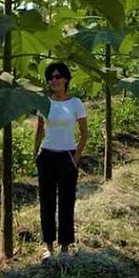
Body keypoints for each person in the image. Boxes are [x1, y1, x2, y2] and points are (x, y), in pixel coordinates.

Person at [34, 61, 88, 262]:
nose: (54, 80)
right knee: (46, 202)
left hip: (67, 156)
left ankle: (65, 246)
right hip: (47, 155)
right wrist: (36, 154)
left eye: (57, 77)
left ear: (65, 79)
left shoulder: (75, 103)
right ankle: (48, 247)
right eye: (51, 78)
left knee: (66, 202)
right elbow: (39, 129)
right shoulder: (45, 102)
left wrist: (76, 157)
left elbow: (84, 133)